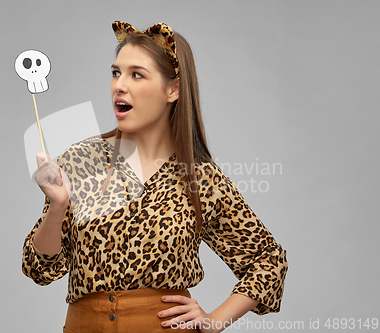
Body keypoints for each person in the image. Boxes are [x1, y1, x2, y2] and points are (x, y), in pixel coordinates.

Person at [22, 21, 288, 333]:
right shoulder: (81, 160)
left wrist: (215, 320)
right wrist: (57, 208)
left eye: (137, 74)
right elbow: (41, 268)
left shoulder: (201, 179)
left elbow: (268, 261)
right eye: (116, 72)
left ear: (173, 89)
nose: (119, 85)